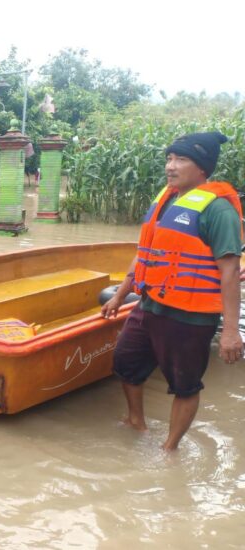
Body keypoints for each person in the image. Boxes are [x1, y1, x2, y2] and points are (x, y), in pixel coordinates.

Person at [102, 131, 243, 451]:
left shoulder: (218, 210)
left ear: (202, 168)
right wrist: (123, 292)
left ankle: (169, 450)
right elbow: (146, 250)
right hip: (150, 304)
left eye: (181, 159)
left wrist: (231, 332)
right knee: (126, 362)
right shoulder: (166, 198)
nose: (170, 166)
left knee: (184, 384)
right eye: (168, 158)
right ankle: (136, 422)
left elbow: (230, 271)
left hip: (191, 317)